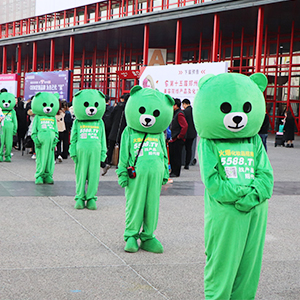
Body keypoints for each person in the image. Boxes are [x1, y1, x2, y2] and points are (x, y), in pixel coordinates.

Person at [106, 93, 129, 165]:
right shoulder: (129, 108)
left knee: (111, 147)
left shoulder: (117, 107)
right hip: (124, 130)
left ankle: (108, 161)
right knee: (122, 148)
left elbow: (111, 117)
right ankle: (120, 163)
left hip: (114, 129)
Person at [168, 98, 188, 177]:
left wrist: (180, 135)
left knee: (176, 156)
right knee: (173, 155)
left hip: (178, 139)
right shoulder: (175, 113)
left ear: (176, 105)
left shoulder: (179, 114)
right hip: (174, 138)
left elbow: (185, 126)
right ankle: (173, 171)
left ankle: (176, 172)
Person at [182, 98, 197, 169]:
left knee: (184, 148)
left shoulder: (185, 112)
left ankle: (184, 163)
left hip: (186, 133)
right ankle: (188, 163)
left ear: (185, 104)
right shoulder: (194, 111)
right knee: (189, 149)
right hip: (193, 133)